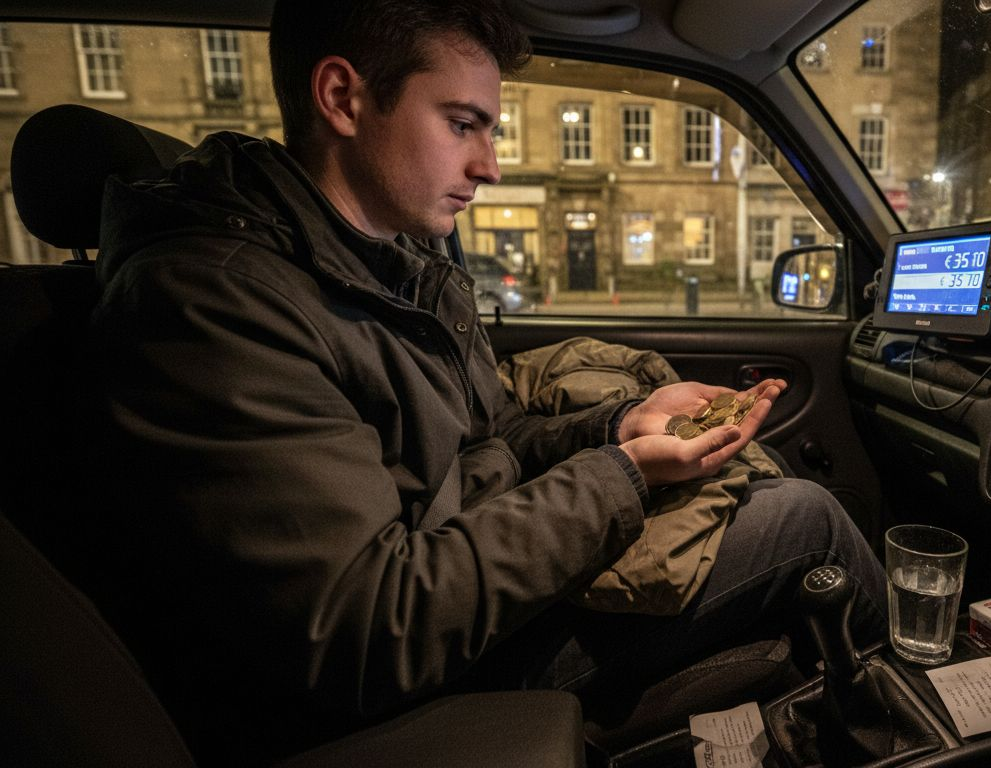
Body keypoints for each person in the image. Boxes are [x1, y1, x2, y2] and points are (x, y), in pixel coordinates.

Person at [87, 0, 890, 762]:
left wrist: (619, 425)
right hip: (406, 682)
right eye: (461, 124)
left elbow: (490, 437)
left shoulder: (392, 259)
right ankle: (931, 723)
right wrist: (622, 474)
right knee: (805, 522)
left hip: (461, 589)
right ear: (341, 97)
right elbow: (367, 629)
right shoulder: (214, 303)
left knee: (759, 498)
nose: (491, 166)